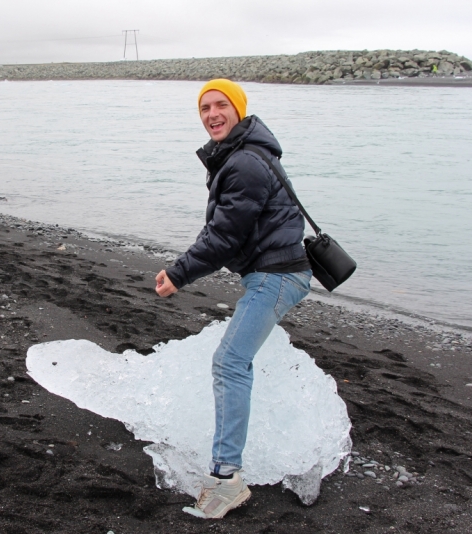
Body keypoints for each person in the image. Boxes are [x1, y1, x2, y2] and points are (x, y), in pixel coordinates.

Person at [154, 79, 312, 519]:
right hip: (274, 272)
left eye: (221, 105)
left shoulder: (243, 162)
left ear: (239, 110)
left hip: (277, 276)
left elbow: (224, 235)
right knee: (235, 360)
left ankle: (226, 480)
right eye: (205, 107)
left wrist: (179, 273)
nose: (212, 114)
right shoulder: (243, 154)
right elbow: (224, 230)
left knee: (229, 362)